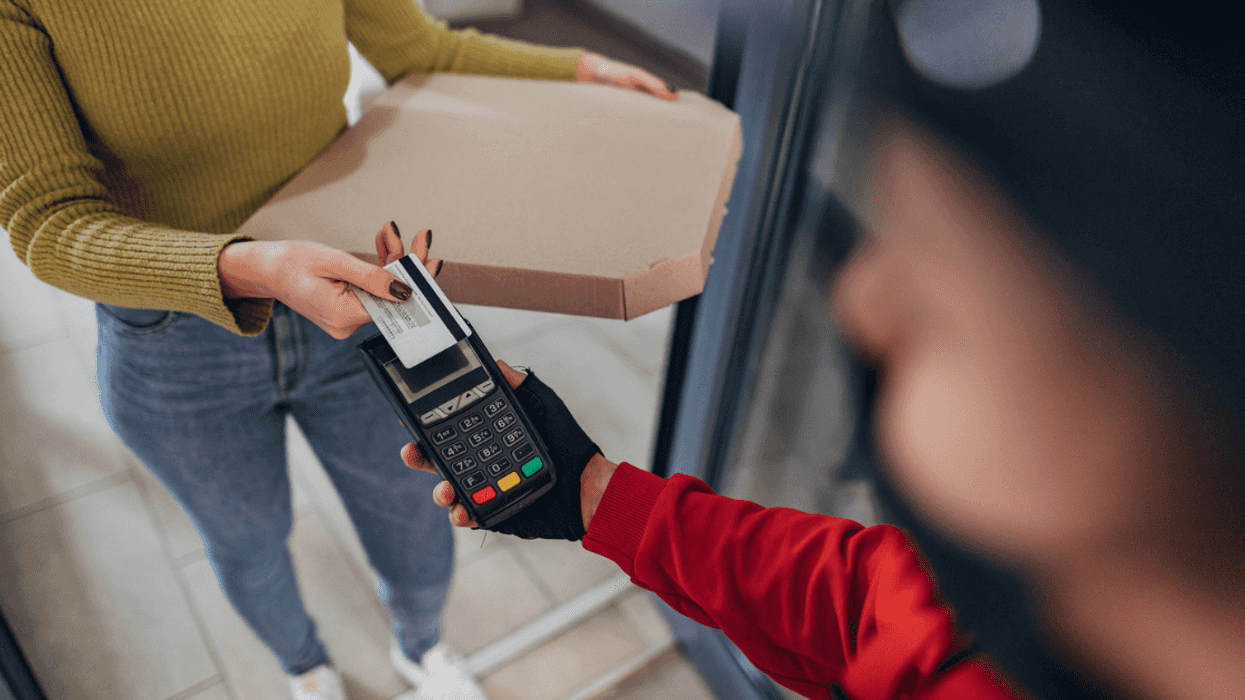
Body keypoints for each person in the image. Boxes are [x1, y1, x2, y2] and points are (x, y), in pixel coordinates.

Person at [403, 2, 1245, 699]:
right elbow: (867, 604)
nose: (863, 305)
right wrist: (596, 496)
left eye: (936, 283)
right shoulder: (1024, 605)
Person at [0, 2, 674, 699]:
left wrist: (579, 67)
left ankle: (422, 649)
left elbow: (418, 46)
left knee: (414, 518)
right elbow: (49, 221)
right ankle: (306, 670)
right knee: (247, 546)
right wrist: (252, 267)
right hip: (173, 341)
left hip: (358, 308)